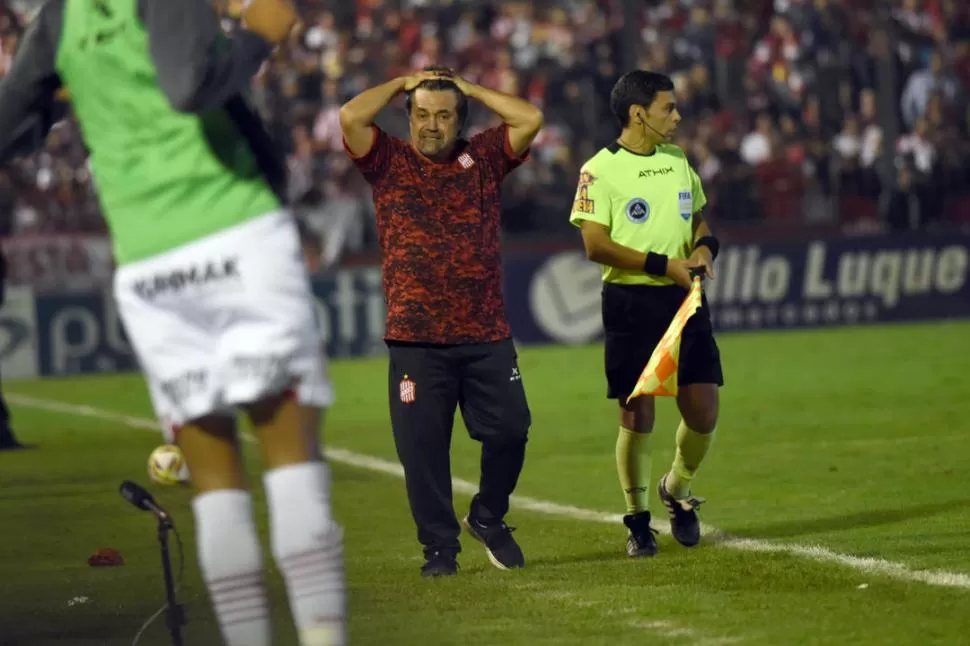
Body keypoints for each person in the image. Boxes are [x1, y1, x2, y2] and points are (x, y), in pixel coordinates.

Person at [0, 1, 347, 644]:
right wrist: (257, 39)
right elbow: (190, 86)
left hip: (148, 263)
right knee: (291, 463)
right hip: (235, 232)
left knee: (215, 488)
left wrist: (77, 91)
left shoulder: (57, 18)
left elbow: (7, 129)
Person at [339, 66, 543, 577]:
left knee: (512, 429)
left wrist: (469, 86)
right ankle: (440, 551)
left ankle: (488, 515)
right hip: (416, 340)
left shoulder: (485, 158)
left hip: (485, 334)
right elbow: (349, 115)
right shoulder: (387, 161)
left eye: (444, 115)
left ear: (460, 120)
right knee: (423, 451)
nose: (432, 125)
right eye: (423, 114)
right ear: (408, 116)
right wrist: (403, 80)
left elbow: (530, 117)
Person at [568, 70, 723, 558]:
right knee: (638, 413)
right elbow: (594, 245)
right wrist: (665, 265)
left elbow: (698, 216)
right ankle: (637, 521)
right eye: (668, 109)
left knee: (703, 411)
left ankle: (676, 489)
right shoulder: (599, 170)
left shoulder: (677, 160)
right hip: (632, 301)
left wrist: (703, 249)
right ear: (638, 114)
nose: (676, 117)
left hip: (685, 297)